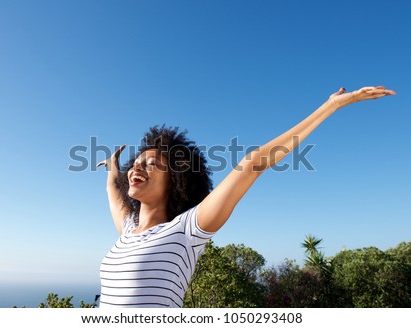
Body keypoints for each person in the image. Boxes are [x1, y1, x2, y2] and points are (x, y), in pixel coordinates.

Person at [97, 86, 395, 308]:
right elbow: (113, 190)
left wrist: (330, 106)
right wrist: (113, 167)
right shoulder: (127, 229)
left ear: (176, 182)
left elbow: (253, 163)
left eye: (152, 164)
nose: (137, 166)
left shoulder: (185, 231)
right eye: (136, 163)